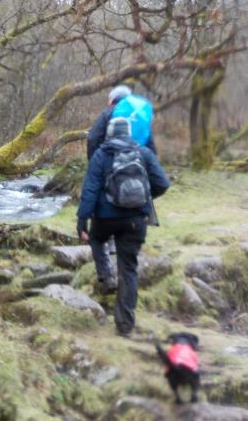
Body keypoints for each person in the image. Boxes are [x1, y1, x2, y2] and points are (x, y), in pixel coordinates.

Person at [77, 117, 170, 337]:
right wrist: (145, 199)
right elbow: (163, 183)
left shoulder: (101, 154)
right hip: (135, 220)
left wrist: (82, 220)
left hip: (106, 219)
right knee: (128, 270)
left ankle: (106, 276)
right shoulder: (143, 153)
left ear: (110, 133)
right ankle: (125, 325)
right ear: (129, 133)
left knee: (97, 239)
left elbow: (90, 190)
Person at [86, 85, 158, 289]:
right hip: (137, 181)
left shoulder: (109, 113)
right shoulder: (140, 118)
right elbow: (151, 149)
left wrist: (96, 164)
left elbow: (92, 138)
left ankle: (108, 259)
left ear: (112, 101)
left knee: (103, 215)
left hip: (108, 175)